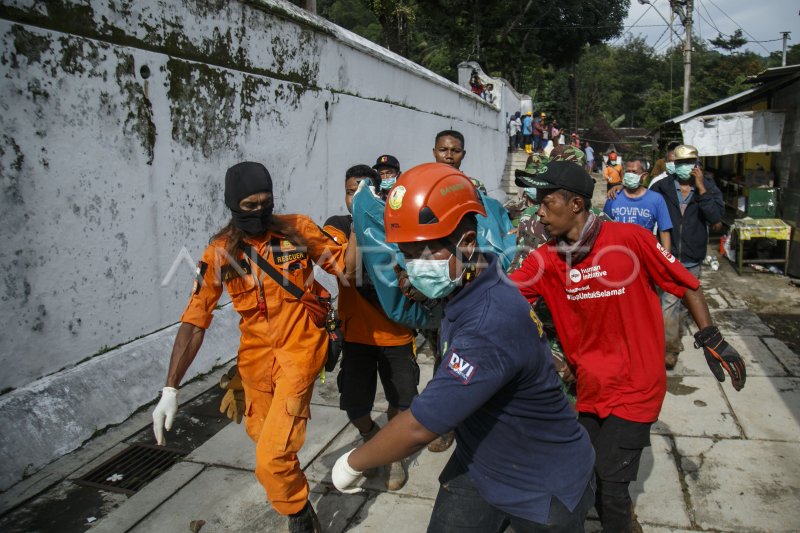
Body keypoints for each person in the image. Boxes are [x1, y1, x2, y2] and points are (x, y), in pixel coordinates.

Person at [332, 163, 597, 532]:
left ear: (468, 241)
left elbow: (420, 427)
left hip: (541, 481)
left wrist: (352, 463)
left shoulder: (488, 321)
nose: (413, 265)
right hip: (481, 462)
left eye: (425, 252)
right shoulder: (473, 278)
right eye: (406, 253)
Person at [509, 161, 745, 533]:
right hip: (589, 388)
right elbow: (502, 296)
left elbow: (687, 285)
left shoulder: (630, 240)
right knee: (582, 475)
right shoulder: (547, 260)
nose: (538, 210)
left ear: (574, 204)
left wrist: (711, 336)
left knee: (611, 491)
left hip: (636, 386)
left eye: (546, 200)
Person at [151, 162, 346, 533]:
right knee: (268, 445)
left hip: (299, 352)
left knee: (270, 458)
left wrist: (364, 230)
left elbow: (347, 266)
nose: (260, 212)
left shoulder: (297, 230)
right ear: (233, 205)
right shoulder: (220, 252)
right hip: (255, 366)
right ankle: (295, 497)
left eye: (266, 202)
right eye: (249, 205)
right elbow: (195, 320)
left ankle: (300, 516)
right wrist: (171, 387)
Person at [323, 164, 419, 491]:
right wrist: (357, 228)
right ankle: (371, 437)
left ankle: (391, 453)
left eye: (362, 192)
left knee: (402, 402)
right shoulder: (337, 226)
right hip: (356, 335)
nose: (355, 198)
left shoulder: (393, 225)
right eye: (351, 192)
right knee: (354, 404)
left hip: (396, 334)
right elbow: (347, 274)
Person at [650, 145, 725, 370]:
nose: (684, 168)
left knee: (685, 304)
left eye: (689, 163)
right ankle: (669, 350)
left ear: (697, 165)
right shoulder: (662, 187)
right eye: (680, 163)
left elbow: (716, 220)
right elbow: (643, 203)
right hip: (669, 256)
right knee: (669, 302)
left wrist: (701, 189)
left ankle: (675, 336)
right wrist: (620, 192)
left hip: (693, 256)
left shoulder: (708, 187)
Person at [603, 157, 672, 250]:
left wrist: (666, 260)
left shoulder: (656, 199)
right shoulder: (613, 196)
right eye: (628, 171)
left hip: (645, 254)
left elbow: (664, 231)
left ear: (644, 176)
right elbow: (604, 228)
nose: (630, 175)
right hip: (618, 253)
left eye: (634, 172)